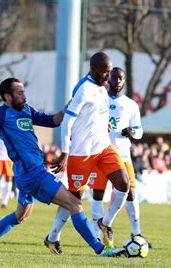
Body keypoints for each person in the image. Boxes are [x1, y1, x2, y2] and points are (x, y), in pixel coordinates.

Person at [0, 77, 125, 257]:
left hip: (27, 173)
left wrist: (69, 107)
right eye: (20, 92)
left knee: (20, 216)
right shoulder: (1, 114)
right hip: (34, 174)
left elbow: (53, 120)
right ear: (7, 96)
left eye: (24, 91)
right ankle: (100, 249)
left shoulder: (26, 110)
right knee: (74, 203)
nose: (24, 95)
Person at [45, 53, 130, 254]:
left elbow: (97, 111)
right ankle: (52, 238)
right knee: (74, 199)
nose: (109, 76)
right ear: (93, 69)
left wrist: (105, 122)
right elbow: (67, 121)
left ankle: (105, 223)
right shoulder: (83, 89)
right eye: (106, 71)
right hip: (81, 153)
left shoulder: (102, 87)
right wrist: (65, 152)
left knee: (124, 183)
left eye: (110, 71)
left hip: (103, 148)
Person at [87, 67, 151, 248]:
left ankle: (135, 232)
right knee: (98, 193)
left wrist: (132, 131)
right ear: (109, 79)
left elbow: (139, 131)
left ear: (124, 81)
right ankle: (95, 234)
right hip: (101, 153)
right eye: (115, 77)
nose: (118, 81)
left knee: (131, 192)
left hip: (123, 155)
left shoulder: (131, 104)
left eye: (121, 78)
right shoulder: (99, 99)